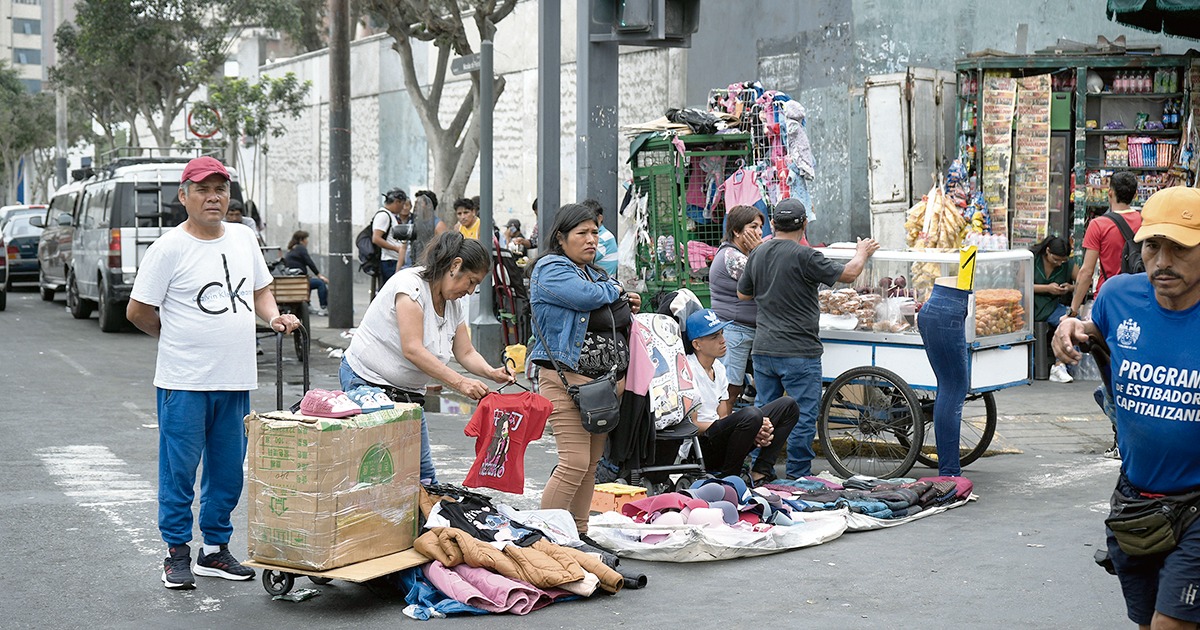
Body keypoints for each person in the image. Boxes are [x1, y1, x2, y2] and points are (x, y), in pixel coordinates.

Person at [126, 156, 301, 590]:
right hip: (183, 381)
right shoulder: (168, 248)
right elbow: (138, 311)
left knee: (227, 471)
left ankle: (214, 551)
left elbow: (260, 289)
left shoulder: (243, 237)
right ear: (183, 196)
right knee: (179, 471)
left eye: (220, 189)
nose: (213, 197)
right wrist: (174, 338)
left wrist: (274, 317)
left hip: (235, 378)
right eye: (203, 189)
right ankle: (177, 552)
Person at [1052, 185, 1200, 630]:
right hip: (1136, 501)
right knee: (1145, 620)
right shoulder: (1119, 296)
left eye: (1179, 248)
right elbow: (1092, 330)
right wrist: (1070, 326)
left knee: (1169, 624)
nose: (1162, 261)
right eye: (1153, 246)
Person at [339, 231, 513, 485]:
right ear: (455, 266)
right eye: (471, 281)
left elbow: (465, 352)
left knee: (422, 477)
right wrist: (461, 383)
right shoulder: (410, 287)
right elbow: (413, 349)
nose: (471, 290)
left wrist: (491, 372)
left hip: (407, 394)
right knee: (379, 477)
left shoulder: (453, 303)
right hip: (367, 383)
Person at [737, 198, 879, 480]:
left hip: (764, 349)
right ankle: (798, 475)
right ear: (803, 225)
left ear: (773, 224)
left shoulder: (758, 254)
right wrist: (862, 251)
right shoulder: (805, 255)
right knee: (801, 415)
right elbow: (849, 274)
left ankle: (760, 469)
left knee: (765, 414)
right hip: (799, 352)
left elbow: (744, 294)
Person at [529, 203, 641, 537]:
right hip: (567, 383)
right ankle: (544, 536)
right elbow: (588, 297)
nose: (592, 240)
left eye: (595, 232)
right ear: (561, 238)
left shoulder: (594, 273)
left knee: (590, 466)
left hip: (602, 388)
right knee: (573, 462)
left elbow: (607, 303)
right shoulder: (551, 268)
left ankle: (579, 533)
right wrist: (615, 291)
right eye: (582, 233)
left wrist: (623, 298)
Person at [684, 308, 799, 484]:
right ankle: (730, 479)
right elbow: (692, 425)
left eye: (722, 334)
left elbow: (724, 417)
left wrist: (754, 429)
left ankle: (761, 471)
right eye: (714, 337)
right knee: (752, 415)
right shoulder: (687, 370)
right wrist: (750, 423)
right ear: (697, 344)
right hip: (699, 446)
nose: (723, 341)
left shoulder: (720, 369)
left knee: (788, 406)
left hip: (719, 437)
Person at [708, 204, 764, 403]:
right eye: (753, 227)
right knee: (729, 389)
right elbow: (767, 277)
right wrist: (761, 250)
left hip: (747, 330)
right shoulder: (733, 258)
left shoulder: (743, 254)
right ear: (736, 231)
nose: (759, 233)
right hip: (736, 331)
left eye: (760, 227)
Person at [1069, 171, 1142, 318]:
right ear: (1135, 195)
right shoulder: (1144, 220)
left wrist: (1073, 310)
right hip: (1137, 296)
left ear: (1110, 192)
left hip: (1108, 296)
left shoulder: (1098, 225)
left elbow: (1087, 272)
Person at [1031, 235, 1079, 383]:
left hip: (1051, 307)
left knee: (1073, 322)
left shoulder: (1068, 264)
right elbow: (1022, 284)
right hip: (1031, 306)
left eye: (1062, 260)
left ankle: (1060, 365)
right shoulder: (1033, 259)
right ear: (1047, 251)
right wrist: (1047, 288)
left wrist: (1070, 287)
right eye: (1055, 259)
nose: (1059, 264)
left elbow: (1083, 281)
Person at [283, 230, 329, 316]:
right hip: (299, 280)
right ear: (301, 240)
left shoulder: (291, 249)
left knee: (309, 281)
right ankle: (323, 307)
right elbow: (309, 262)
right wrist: (319, 275)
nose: (307, 241)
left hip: (291, 280)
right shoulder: (300, 248)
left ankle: (308, 305)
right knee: (320, 283)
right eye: (306, 239)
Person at [374, 188, 412, 283]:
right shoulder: (384, 215)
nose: (402, 208)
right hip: (389, 261)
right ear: (397, 202)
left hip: (394, 260)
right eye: (402, 204)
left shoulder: (391, 215)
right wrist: (396, 248)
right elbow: (376, 238)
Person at [581, 198, 618, 277]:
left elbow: (582, 258)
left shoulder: (605, 237)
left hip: (604, 282)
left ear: (600, 218)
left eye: (590, 219)